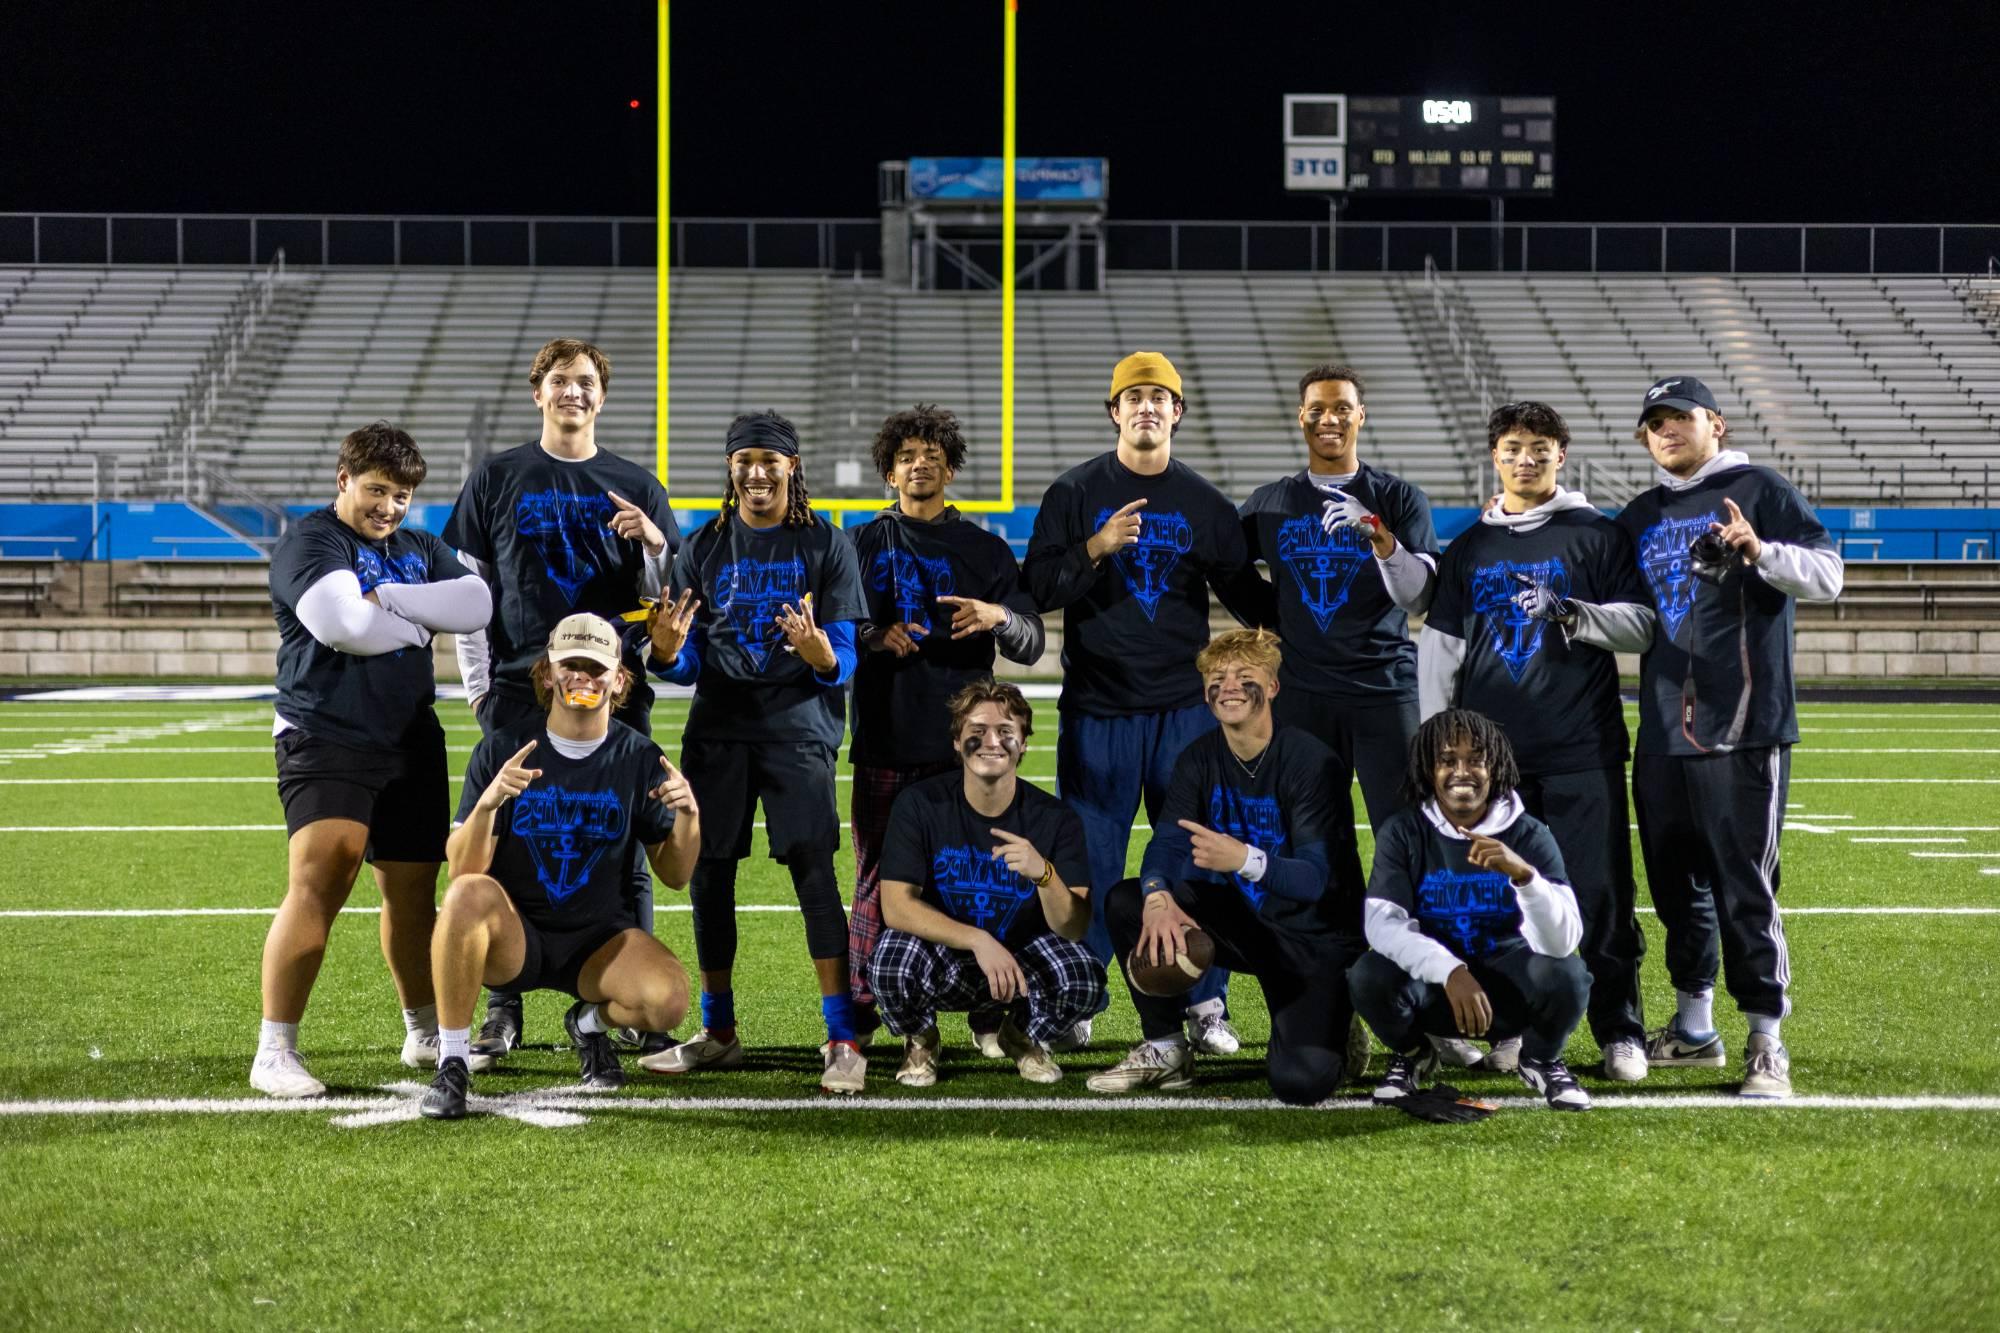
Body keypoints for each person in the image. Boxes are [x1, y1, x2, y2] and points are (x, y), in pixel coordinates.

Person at [441, 337, 682, 1066]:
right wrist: (480, 687)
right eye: (559, 380)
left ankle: (607, 1009)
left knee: (625, 843)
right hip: (522, 682)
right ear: (537, 392)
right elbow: (471, 592)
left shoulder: (637, 483)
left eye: (585, 381)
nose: (572, 391)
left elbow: (664, 604)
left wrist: (653, 545)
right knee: (509, 839)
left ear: (602, 397)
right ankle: (501, 1003)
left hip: (612, 685)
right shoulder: (498, 475)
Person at [1023, 351, 1264, 1055]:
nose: (1148, 408)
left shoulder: (1206, 503)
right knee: (1091, 860)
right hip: (1099, 706)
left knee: (1195, 854)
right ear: (1115, 412)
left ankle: (1206, 999)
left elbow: (1251, 601)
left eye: (1161, 397)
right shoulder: (1074, 492)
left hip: (1185, 712)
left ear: (1178, 412)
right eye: (1135, 398)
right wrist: (1095, 547)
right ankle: (1079, 995)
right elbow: (1038, 587)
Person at [1617, 377, 1842, 1099]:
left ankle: (1766, 1041)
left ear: (1715, 420)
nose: (1666, 430)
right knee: (1676, 886)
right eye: (1654, 422)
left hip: (1742, 723)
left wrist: (1761, 549)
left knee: (1745, 884)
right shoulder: (1638, 514)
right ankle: (1693, 1030)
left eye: (1678, 416)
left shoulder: (1758, 486)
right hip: (1660, 726)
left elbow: (1829, 575)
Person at [253, 422, 493, 1098]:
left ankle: (422, 1030)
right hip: (326, 733)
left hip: (409, 736)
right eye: (377, 490)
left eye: (401, 495)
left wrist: (389, 597)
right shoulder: (312, 540)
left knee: (415, 892)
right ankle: (274, 1047)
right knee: (321, 877)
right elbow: (341, 626)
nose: (389, 507)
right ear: (344, 481)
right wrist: (422, 619)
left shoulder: (417, 546)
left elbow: (476, 603)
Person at [1418, 401, 1654, 1082]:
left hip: (1583, 749)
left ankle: (1620, 1028)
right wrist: (1439, 749)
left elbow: (1641, 627)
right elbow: (1441, 653)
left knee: (1599, 893)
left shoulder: (1596, 537)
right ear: (1495, 455)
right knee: (1502, 899)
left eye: (1541, 447)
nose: (1527, 458)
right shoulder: (1469, 546)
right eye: (1515, 447)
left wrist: (1571, 613)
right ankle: (1516, 1025)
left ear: (1562, 455)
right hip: (1496, 767)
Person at [640, 411, 872, 1093]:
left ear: (792, 466)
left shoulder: (826, 542)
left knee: (811, 869)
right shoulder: (705, 545)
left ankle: (841, 1036)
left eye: (770, 459)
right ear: (731, 467)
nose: (757, 471)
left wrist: (821, 654)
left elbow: (845, 655)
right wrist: (667, 652)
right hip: (719, 723)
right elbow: (685, 661)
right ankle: (719, 1031)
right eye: (744, 458)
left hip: (799, 723)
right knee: (710, 871)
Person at [420, 614, 700, 1120]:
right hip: (517, 939)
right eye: (570, 665)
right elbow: (462, 873)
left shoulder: (638, 756)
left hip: (598, 941)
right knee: (465, 898)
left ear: (619, 679)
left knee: (668, 1000)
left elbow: (676, 874)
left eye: (595, 668)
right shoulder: (503, 748)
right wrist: (486, 807)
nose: (583, 678)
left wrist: (688, 817)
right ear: (547, 673)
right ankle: (453, 1059)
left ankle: (588, 1026)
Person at [1089, 629, 1367, 1104]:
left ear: (1273, 687)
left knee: (1301, 1084)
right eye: (1218, 677)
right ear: (1205, 692)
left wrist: (1245, 859)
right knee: (1128, 900)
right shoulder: (1199, 757)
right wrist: (1158, 895)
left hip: (1313, 938)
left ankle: (1338, 1022)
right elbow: (1168, 841)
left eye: (1245, 676)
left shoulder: (1311, 761)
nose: (1230, 686)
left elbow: (1316, 879)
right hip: (1247, 924)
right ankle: (1166, 1048)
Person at [846, 405, 1045, 1046]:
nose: (920, 465)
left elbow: (1031, 640)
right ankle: (874, 1013)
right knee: (879, 881)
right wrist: (875, 635)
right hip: (886, 737)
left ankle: (989, 1010)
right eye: (907, 456)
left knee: (974, 878)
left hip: (969, 753)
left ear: (951, 468)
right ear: (889, 472)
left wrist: (996, 616)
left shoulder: (984, 548)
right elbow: (832, 625)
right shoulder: (862, 543)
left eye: (933, 455)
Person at [1348, 709, 1595, 1112]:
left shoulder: (1528, 833)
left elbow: (1564, 941)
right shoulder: (1404, 831)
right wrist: (1450, 970)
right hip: (1438, 991)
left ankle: (1540, 1058)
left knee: (1568, 974)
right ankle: (1414, 1054)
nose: (1462, 771)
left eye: (1476, 760)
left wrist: (1525, 877)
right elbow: (1382, 924)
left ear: (1494, 767)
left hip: (1509, 990)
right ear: (1429, 770)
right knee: (1369, 974)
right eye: (1447, 760)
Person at [872, 680, 1103, 1086]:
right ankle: (922, 1039)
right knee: (889, 962)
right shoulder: (920, 804)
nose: (990, 742)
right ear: (957, 743)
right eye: (976, 732)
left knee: (1085, 976)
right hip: (944, 956)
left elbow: (1074, 927)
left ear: (1024, 743)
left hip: (1017, 963)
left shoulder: (1055, 818)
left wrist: (1044, 874)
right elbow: (896, 905)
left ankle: (1021, 1034)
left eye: (1005, 732)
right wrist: (979, 940)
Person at [1239, 363, 1439, 831]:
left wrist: (1379, 536)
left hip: (1384, 690)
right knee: (1307, 831)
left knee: (1405, 829)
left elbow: (1420, 598)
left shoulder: (1399, 498)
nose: (1329, 419)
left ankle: (1399, 910)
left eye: (1342, 409)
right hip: (1302, 692)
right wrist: (1272, 614)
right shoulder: (1270, 503)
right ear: (1300, 417)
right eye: (1318, 410)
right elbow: (1224, 567)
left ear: (1361, 416)